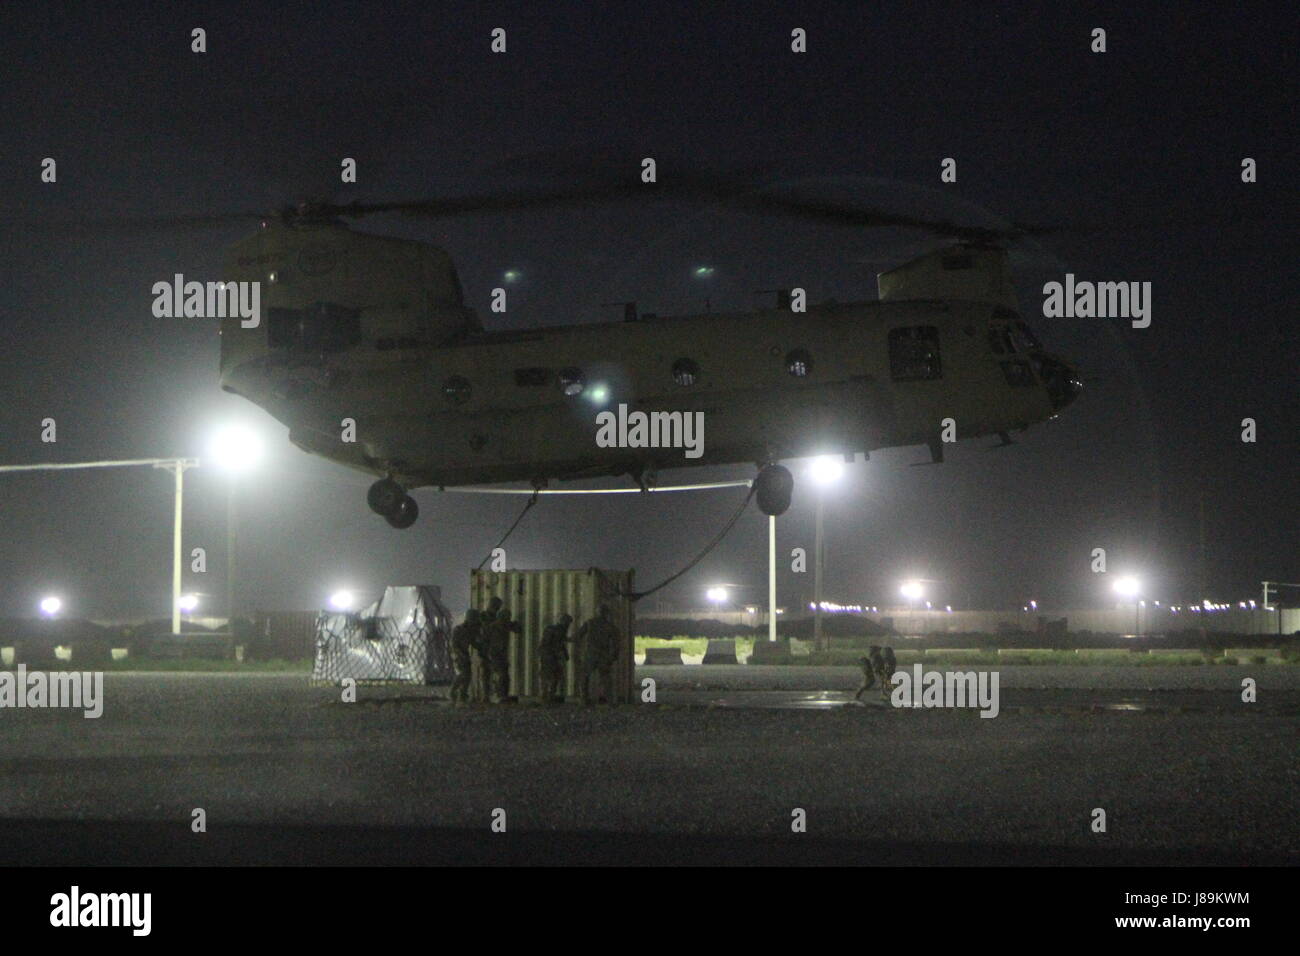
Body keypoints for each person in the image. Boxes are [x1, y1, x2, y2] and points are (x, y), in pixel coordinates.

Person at [577, 604, 621, 705]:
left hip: (590, 654)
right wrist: (614, 656)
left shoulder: (589, 623)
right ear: (606, 614)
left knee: (584, 675)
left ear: (597, 612)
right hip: (604, 655)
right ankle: (609, 700)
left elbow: (578, 636)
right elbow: (616, 644)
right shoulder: (610, 626)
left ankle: (584, 699)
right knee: (605, 677)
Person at [486, 607, 519, 702]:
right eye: (507, 617)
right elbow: (485, 640)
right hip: (494, 654)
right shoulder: (493, 627)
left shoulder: (505, 625)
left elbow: (516, 629)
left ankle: (503, 694)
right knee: (501, 675)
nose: (508, 619)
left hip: (501, 654)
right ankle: (500, 695)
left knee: (504, 675)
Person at [538, 613, 572, 703]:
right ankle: (549, 696)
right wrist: (563, 655)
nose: (568, 626)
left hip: (545, 655)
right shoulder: (560, 630)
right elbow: (559, 644)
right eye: (568, 623)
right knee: (554, 676)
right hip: (551, 656)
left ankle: (545, 695)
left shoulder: (551, 629)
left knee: (547, 675)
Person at [449, 609, 480, 705]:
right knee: (462, 674)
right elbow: (454, 645)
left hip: (465, 654)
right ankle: (453, 692)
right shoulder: (458, 630)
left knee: (468, 676)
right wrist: (460, 654)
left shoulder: (470, 631)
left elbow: (473, 642)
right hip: (458, 654)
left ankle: (462, 694)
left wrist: (482, 647)